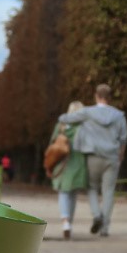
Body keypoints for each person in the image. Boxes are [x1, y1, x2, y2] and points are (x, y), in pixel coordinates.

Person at [59, 84, 127, 237]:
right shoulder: (119, 116)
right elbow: (123, 139)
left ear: (96, 96)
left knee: (91, 188)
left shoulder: (87, 113)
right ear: (109, 97)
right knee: (108, 192)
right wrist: (120, 156)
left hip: (92, 156)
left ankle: (97, 215)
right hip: (112, 157)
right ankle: (104, 228)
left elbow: (64, 118)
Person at [50, 101, 89, 239]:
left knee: (63, 193)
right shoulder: (83, 127)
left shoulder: (60, 125)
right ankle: (69, 222)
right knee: (73, 194)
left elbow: (53, 142)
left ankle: (65, 221)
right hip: (78, 162)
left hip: (62, 162)